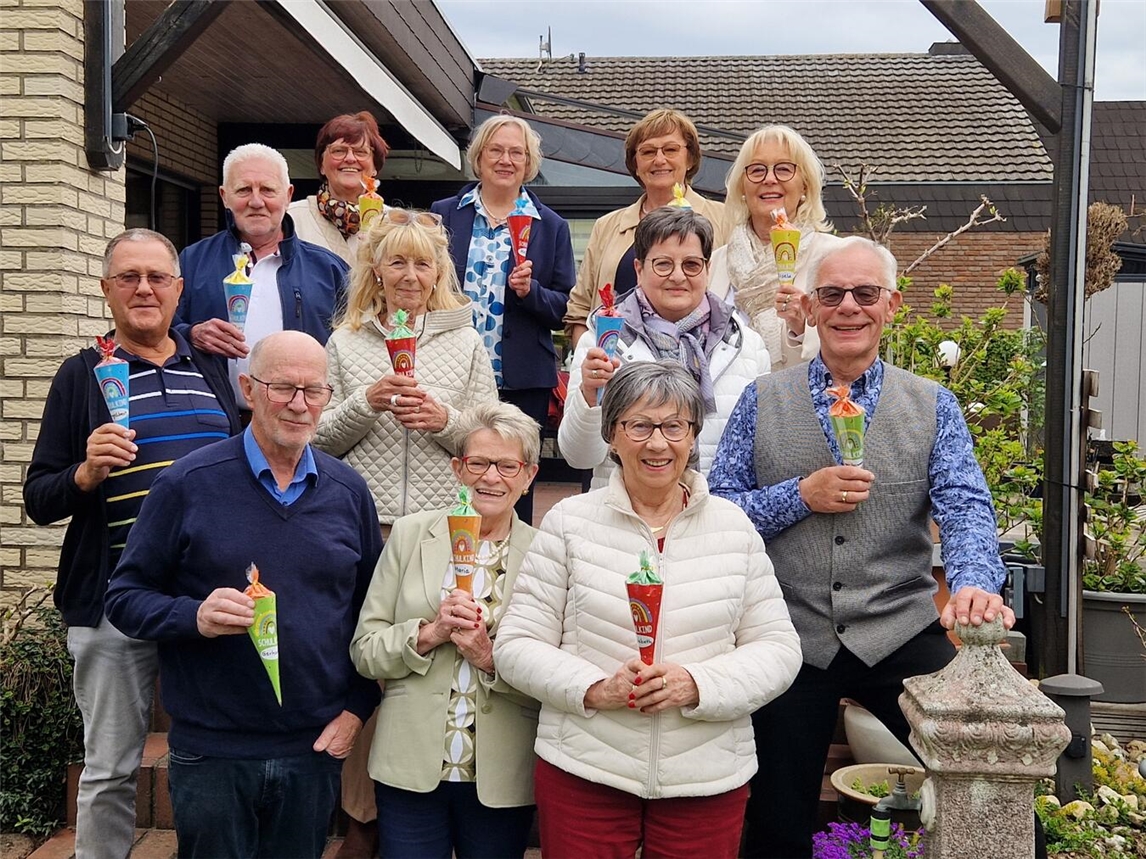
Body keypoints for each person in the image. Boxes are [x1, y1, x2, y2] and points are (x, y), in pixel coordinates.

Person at [708, 237, 1016, 858]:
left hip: (897, 626)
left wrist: (976, 581)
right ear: (812, 307)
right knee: (774, 821)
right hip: (788, 633)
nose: (849, 306)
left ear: (891, 305)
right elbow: (720, 512)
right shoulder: (761, 399)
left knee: (981, 762)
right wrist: (800, 494)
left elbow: (964, 506)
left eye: (865, 293)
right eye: (832, 294)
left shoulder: (933, 405)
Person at [494, 361, 802, 859]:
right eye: (638, 425)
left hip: (706, 775)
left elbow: (779, 649)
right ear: (612, 435)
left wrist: (696, 685)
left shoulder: (733, 527)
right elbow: (516, 644)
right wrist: (596, 689)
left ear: (693, 435)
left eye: (673, 426)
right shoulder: (570, 523)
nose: (657, 443)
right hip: (587, 768)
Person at [103, 330, 381, 859]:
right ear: (249, 389)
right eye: (283, 388)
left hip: (313, 746)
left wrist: (356, 710)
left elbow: (372, 614)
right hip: (214, 750)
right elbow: (124, 595)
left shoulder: (348, 493)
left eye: (314, 390)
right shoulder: (188, 484)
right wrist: (194, 616)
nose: (299, 404)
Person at [22, 229, 241, 859]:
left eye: (156, 278)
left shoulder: (209, 367)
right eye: (128, 278)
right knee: (112, 767)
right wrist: (86, 475)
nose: (143, 289)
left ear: (178, 290)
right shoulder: (82, 374)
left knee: (209, 755)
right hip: (113, 599)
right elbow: (38, 498)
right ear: (105, 290)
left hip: (203, 598)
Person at [350, 402, 542, 859]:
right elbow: (364, 650)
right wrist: (428, 633)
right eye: (478, 463)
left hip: (501, 771)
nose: (490, 477)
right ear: (458, 468)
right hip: (410, 763)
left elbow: (554, 673)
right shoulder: (411, 535)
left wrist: (488, 657)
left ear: (529, 475)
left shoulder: (545, 552)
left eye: (507, 465)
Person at [558, 206, 770, 489]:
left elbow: (760, 453)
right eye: (663, 264)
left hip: (714, 516)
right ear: (639, 269)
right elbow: (578, 457)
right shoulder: (602, 341)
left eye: (691, 265)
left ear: (708, 269)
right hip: (626, 515)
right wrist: (589, 395)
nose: (678, 276)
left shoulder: (745, 344)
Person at [432, 115, 575, 524]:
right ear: (478, 158)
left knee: (512, 479)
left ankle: (511, 569)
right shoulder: (444, 216)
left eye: (517, 152)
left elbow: (561, 307)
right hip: (453, 372)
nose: (506, 160)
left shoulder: (551, 226)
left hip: (520, 380)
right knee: (455, 471)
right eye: (496, 150)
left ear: (529, 162)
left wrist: (531, 293)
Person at [314, 208, 497, 526]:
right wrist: (366, 403)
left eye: (422, 264)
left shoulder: (466, 342)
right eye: (397, 262)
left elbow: (493, 443)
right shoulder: (344, 341)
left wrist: (444, 421)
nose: (410, 276)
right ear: (377, 270)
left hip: (441, 522)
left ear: (438, 273)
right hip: (361, 522)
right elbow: (314, 440)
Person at [176, 143, 349, 409]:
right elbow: (158, 332)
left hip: (303, 423)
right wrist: (191, 334)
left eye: (267, 190)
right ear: (224, 196)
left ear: (288, 195)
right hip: (218, 424)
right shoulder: (191, 262)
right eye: (244, 190)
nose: (256, 202)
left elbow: (354, 349)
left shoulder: (328, 270)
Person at [563, 108, 730, 345]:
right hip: (617, 367)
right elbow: (580, 311)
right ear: (635, 163)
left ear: (690, 158)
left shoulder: (724, 219)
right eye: (648, 151)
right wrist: (592, 358)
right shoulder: (607, 226)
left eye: (670, 149)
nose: (659, 159)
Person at [708, 124, 843, 367]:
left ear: (805, 185)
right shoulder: (715, 262)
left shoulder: (834, 258)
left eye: (783, 169)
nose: (770, 179)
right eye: (757, 170)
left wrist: (803, 327)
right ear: (742, 187)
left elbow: (851, 345)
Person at [288, 111, 391, 265]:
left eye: (361, 152)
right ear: (321, 164)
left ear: (375, 166)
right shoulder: (291, 219)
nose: (350, 158)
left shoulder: (395, 223)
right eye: (339, 151)